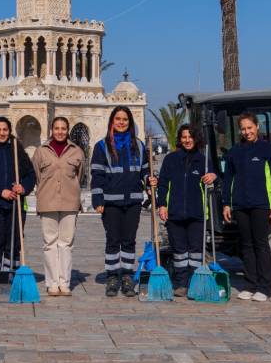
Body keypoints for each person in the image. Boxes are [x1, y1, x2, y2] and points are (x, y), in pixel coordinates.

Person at [90, 105, 152, 298]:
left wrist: (149, 180)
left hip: (133, 201)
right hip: (111, 202)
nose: (121, 122)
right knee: (113, 240)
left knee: (129, 240)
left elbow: (144, 170)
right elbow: (97, 175)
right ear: (112, 121)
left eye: (125, 119)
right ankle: (112, 277)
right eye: (118, 119)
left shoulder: (139, 146)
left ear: (130, 122)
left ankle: (126, 276)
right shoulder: (102, 146)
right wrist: (98, 199)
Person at [222, 113, 271, 302]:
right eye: (243, 129)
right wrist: (226, 204)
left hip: (261, 204)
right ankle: (250, 285)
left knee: (260, 244)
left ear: (257, 126)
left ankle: (264, 287)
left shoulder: (268, 149)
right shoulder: (234, 152)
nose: (247, 132)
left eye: (250, 127)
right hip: (240, 205)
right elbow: (228, 179)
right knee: (246, 246)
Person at [155, 124, 220, 296]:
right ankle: (181, 283)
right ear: (180, 139)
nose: (187, 140)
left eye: (190, 137)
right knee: (179, 251)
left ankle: (195, 283)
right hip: (175, 213)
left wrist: (214, 176)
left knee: (196, 252)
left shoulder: (203, 160)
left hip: (197, 213)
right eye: (184, 137)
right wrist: (162, 205)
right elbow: (163, 184)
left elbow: (215, 182)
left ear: (196, 139)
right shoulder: (171, 159)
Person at [0, 116, 35, 296]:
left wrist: (23, 187)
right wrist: (0, 191)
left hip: (15, 206)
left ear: (9, 131)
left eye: (5, 130)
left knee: (14, 243)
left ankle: (12, 278)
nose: (2, 133)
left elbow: (30, 175)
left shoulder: (17, 151)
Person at [32, 116, 85, 296]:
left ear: (68, 130)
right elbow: (37, 175)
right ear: (51, 130)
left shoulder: (76, 151)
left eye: (63, 128)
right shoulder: (41, 151)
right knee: (50, 243)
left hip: (70, 202)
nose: (60, 132)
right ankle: (52, 282)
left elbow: (79, 175)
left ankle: (64, 282)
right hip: (47, 201)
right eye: (57, 128)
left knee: (66, 243)